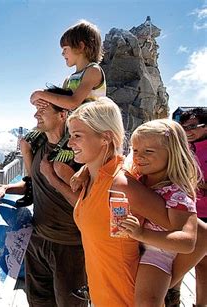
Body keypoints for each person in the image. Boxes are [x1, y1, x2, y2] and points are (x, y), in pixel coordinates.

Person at [62, 97, 207, 306]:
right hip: (104, 292)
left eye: (77, 135)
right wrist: (84, 171)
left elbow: (199, 234)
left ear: (105, 137)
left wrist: (163, 280)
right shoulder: (99, 175)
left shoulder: (121, 184)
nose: (69, 143)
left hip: (125, 296)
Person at [0, 90, 86, 306]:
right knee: (38, 301)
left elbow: (84, 204)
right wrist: (6, 188)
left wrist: (53, 176)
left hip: (69, 246)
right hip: (38, 239)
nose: (36, 116)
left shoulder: (77, 152)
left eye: (43, 109)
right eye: (35, 110)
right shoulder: (40, 146)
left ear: (63, 114)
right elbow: (33, 184)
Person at [119, 119, 200, 307]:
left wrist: (141, 234)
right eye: (135, 150)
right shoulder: (138, 178)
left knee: (147, 302)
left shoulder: (177, 193)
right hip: (131, 245)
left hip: (157, 253)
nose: (139, 157)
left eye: (148, 151)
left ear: (172, 153)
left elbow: (188, 241)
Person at [30, 20, 105, 111]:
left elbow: (73, 103)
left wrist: (40, 94)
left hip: (93, 124)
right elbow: (61, 104)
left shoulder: (93, 71)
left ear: (80, 47)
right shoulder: (69, 79)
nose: (62, 53)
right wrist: (38, 100)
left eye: (65, 49)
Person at [179, 107, 207, 306]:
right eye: (184, 126)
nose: (187, 130)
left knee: (204, 264)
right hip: (187, 213)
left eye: (193, 126)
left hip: (205, 214)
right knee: (177, 260)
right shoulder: (183, 149)